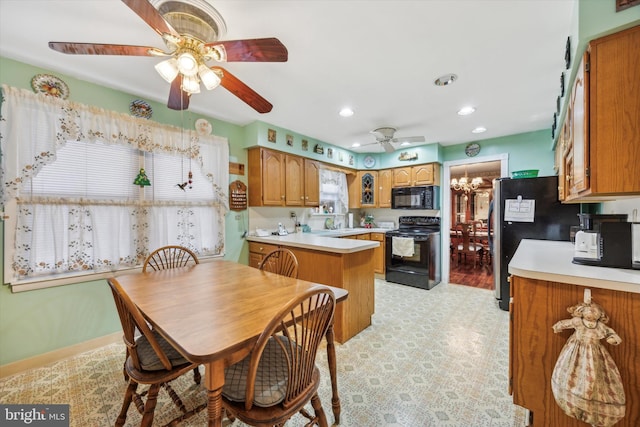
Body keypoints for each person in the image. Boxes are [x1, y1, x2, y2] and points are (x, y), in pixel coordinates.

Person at [551, 300, 626, 426]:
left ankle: (590, 410)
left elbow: (611, 334)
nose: (591, 312)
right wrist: (558, 327)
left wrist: (613, 339)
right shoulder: (578, 322)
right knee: (572, 374)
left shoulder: (600, 327)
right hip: (574, 351)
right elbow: (566, 323)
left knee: (593, 377)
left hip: (593, 354)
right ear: (581, 311)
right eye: (589, 309)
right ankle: (572, 403)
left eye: (595, 310)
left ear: (600, 315)